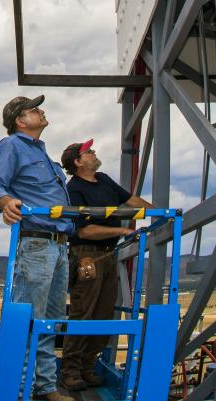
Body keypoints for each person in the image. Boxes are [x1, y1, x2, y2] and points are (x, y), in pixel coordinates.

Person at [0, 95, 76, 401]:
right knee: (27, 320)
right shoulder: (11, 146)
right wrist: (6, 201)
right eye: (35, 109)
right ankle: (18, 392)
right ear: (21, 120)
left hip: (60, 247)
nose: (42, 111)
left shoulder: (46, 157)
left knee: (49, 321)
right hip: (36, 244)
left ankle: (46, 387)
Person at [58, 139, 152, 392]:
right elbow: (84, 231)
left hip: (109, 254)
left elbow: (131, 200)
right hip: (87, 256)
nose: (93, 152)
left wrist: (160, 213)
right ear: (78, 162)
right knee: (84, 313)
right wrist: (123, 230)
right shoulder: (74, 189)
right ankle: (70, 371)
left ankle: (88, 367)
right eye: (88, 151)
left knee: (104, 313)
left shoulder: (105, 179)